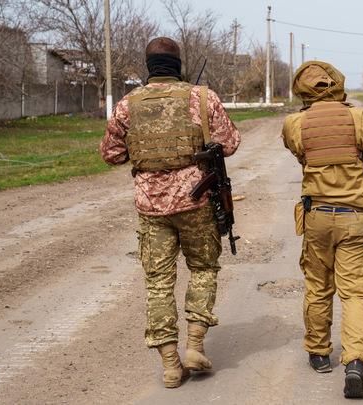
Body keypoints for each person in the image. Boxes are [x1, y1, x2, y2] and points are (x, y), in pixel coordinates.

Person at [100, 37, 241, 388]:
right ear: (178, 66)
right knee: (204, 269)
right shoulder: (202, 97)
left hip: (151, 207)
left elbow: (111, 154)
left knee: (158, 284)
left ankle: (170, 366)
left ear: (148, 68)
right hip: (197, 204)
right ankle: (194, 346)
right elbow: (231, 143)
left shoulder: (126, 105)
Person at [280, 61, 363, 399]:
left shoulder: (294, 124)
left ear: (302, 90)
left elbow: (301, 155)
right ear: (337, 84)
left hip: (316, 219)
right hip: (355, 219)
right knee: (354, 292)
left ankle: (319, 354)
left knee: (319, 287)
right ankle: (354, 363)